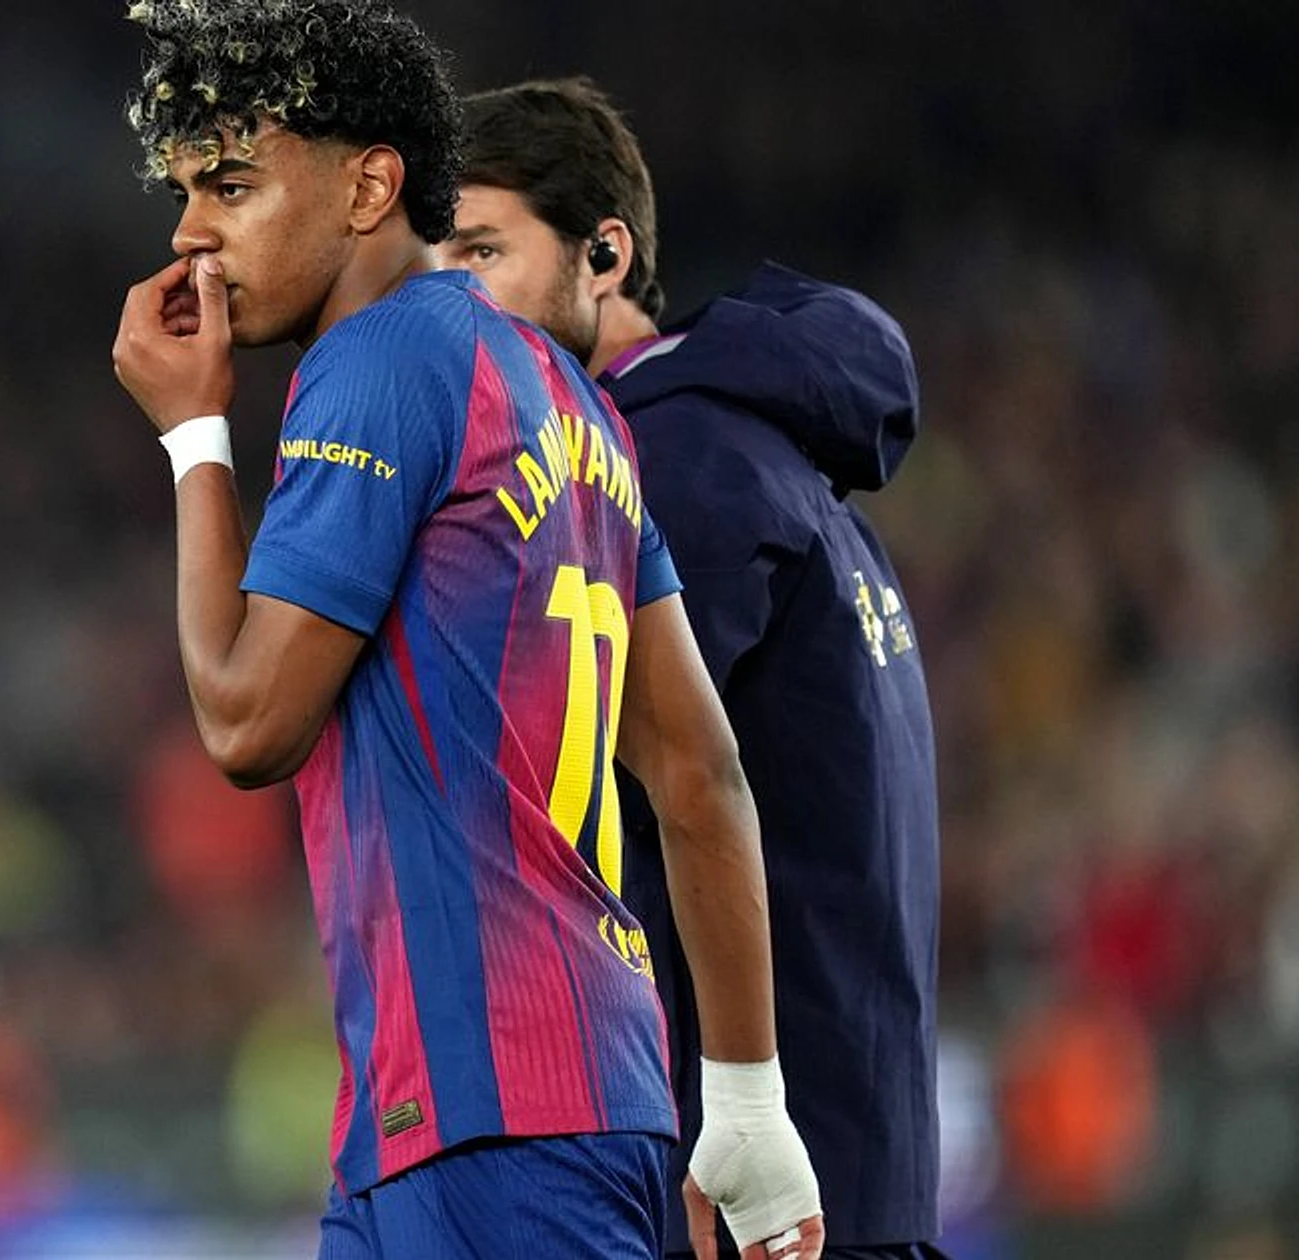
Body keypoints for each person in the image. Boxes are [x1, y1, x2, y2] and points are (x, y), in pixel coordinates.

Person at [108, 4, 823, 1258]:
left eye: (232, 185)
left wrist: (194, 435)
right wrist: (750, 1103)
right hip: (524, 1107)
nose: (190, 234)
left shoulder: (380, 362)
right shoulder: (574, 403)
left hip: (490, 1123)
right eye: (184, 194)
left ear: (369, 186)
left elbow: (247, 721)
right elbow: (697, 768)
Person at [437, 78, 942, 1260]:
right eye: (434, 264)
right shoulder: (761, 454)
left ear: (604, 255)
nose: (450, 299)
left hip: (750, 1187)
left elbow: (588, 799)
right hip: (837, 1166)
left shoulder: (660, 459)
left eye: (482, 251)